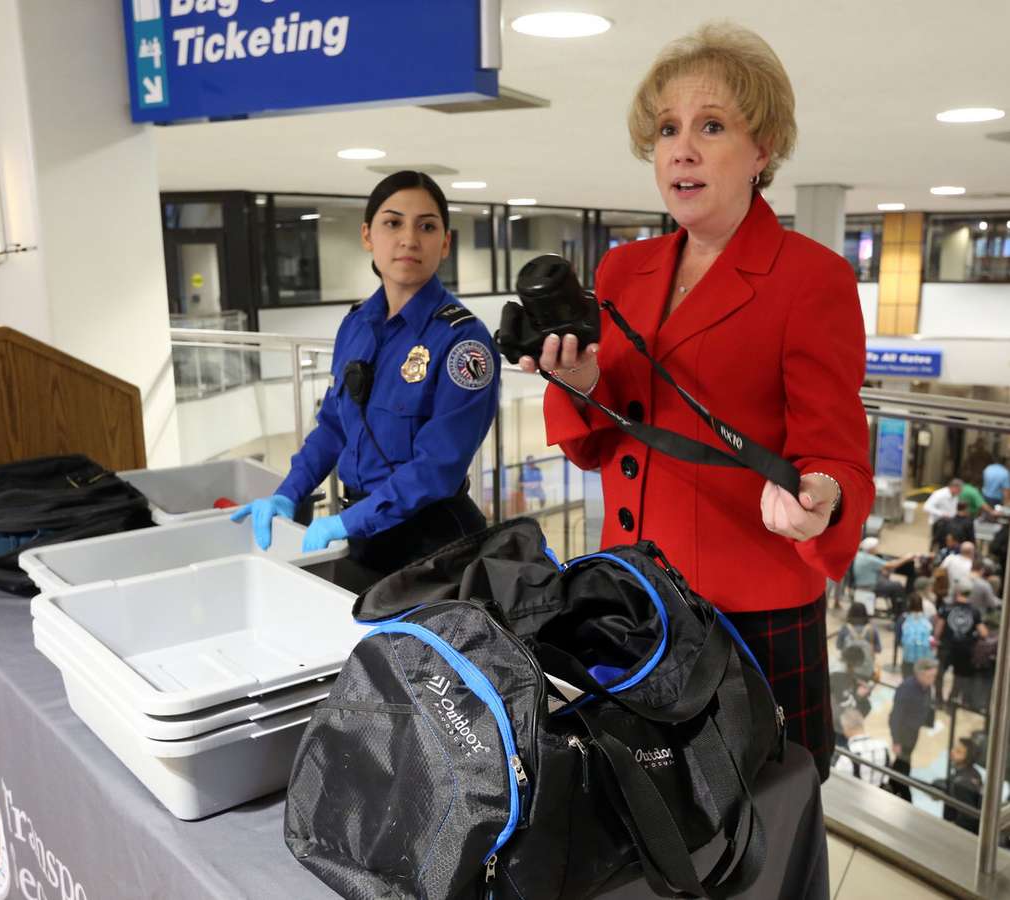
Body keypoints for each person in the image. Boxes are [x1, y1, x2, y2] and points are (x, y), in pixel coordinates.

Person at [520, 22, 873, 781]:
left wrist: (821, 494)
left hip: (751, 616)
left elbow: (837, 455)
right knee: (641, 809)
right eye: (667, 130)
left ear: (762, 149)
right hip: (633, 598)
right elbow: (597, 443)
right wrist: (579, 385)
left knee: (765, 813)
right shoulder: (622, 270)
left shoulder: (812, 279)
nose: (681, 149)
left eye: (711, 126)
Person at [233, 171, 499, 581]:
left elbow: (437, 467)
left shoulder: (464, 342)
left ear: (445, 243)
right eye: (393, 223)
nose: (409, 239)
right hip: (362, 535)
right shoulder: (356, 325)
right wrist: (288, 492)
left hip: (434, 547)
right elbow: (334, 426)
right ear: (367, 235)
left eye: (427, 227)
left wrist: (347, 522)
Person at [935, 579, 989, 707]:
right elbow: (984, 633)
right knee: (959, 677)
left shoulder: (946, 608)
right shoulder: (975, 611)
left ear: (957, 592)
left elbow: (938, 629)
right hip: (964, 649)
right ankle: (951, 702)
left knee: (939, 674)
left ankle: (938, 700)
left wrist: (937, 640)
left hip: (946, 646)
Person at [889, 658, 937, 768]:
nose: (933, 680)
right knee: (903, 761)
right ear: (920, 674)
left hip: (914, 730)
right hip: (904, 732)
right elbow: (895, 716)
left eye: (934, 676)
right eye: (929, 676)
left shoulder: (927, 687)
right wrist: (896, 741)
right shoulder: (906, 689)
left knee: (906, 759)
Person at [832, 709, 892, 788]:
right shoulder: (884, 747)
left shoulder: (847, 756)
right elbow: (886, 778)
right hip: (879, 793)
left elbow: (837, 785)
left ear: (845, 728)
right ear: (862, 724)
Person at [938, 738, 983, 834]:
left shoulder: (961, 783)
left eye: (958, 751)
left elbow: (968, 817)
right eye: (954, 748)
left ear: (968, 757)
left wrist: (951, 829)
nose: (952, 752)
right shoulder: (974, 773)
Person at [899, 595, 936, 679]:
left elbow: (899, 639)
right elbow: (932, 638)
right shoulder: (927, 621)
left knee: (908, 680)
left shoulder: (903, 619)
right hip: (924, 658)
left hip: (908, 657)